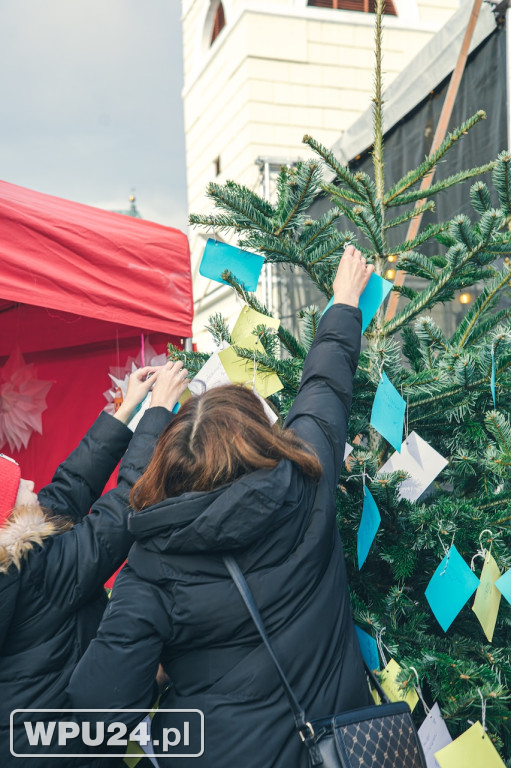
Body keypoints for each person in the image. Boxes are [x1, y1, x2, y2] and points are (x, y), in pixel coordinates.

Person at [68, 246, 374, 767]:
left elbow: (95, 715)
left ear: (168, 465)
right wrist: (345, 301)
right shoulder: (306, 479)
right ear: (259, 435)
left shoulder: (151, 568)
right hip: (344, 749)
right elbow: (324, 388)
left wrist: (158, 668)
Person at [0, 360, 189, 768]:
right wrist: (156, 415)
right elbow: (120, 513)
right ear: (9, 521)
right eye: (19, 488)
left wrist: (124, 414)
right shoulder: (36, 574)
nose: (32, 484)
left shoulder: (12, 561)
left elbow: (66, 492)